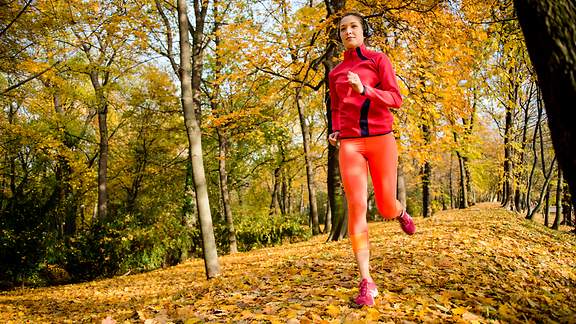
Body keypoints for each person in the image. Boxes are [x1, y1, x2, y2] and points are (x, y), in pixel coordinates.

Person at [328, 12, 416, 307]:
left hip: (381, 139)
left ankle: (400, 213)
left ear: (363, 31)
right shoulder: (336, 72)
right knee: (356, 207)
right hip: (350, 145)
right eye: (343, 28)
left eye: (353, 26)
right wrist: (336, 130)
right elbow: (337, 107)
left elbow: (397, 99)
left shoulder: (378, 61)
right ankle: (366, 280)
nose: (348, 31)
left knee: (385, 205)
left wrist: (365, 89)